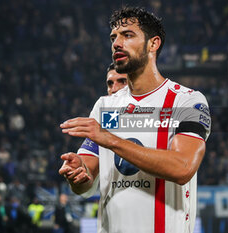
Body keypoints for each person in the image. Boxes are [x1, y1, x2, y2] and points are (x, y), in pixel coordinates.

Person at [59, 7, 211, 233]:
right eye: (113, 38)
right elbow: (86, 182)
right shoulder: (105, 107)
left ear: (153, 44)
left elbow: (183, 167)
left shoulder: (186, 101)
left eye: (127, 35)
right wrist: (78, 175)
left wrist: (111, 139)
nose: (116, 44)